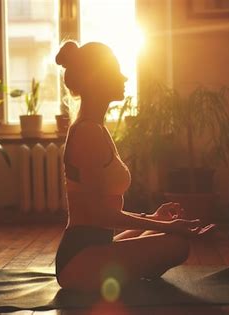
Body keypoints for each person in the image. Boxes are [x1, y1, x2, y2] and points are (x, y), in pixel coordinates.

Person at [54, 41, 215, 292]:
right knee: (177, 244)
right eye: (116, 71)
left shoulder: (97, 128)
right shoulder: (86, 132)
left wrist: (155, 217)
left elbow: (104, 215)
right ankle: (122, 274)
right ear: (98, 80)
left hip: (97, 245)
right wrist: (164, 225)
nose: (124, 76)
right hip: (79, 259)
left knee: (173, 238)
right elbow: (100, 216)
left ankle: (127, 270)